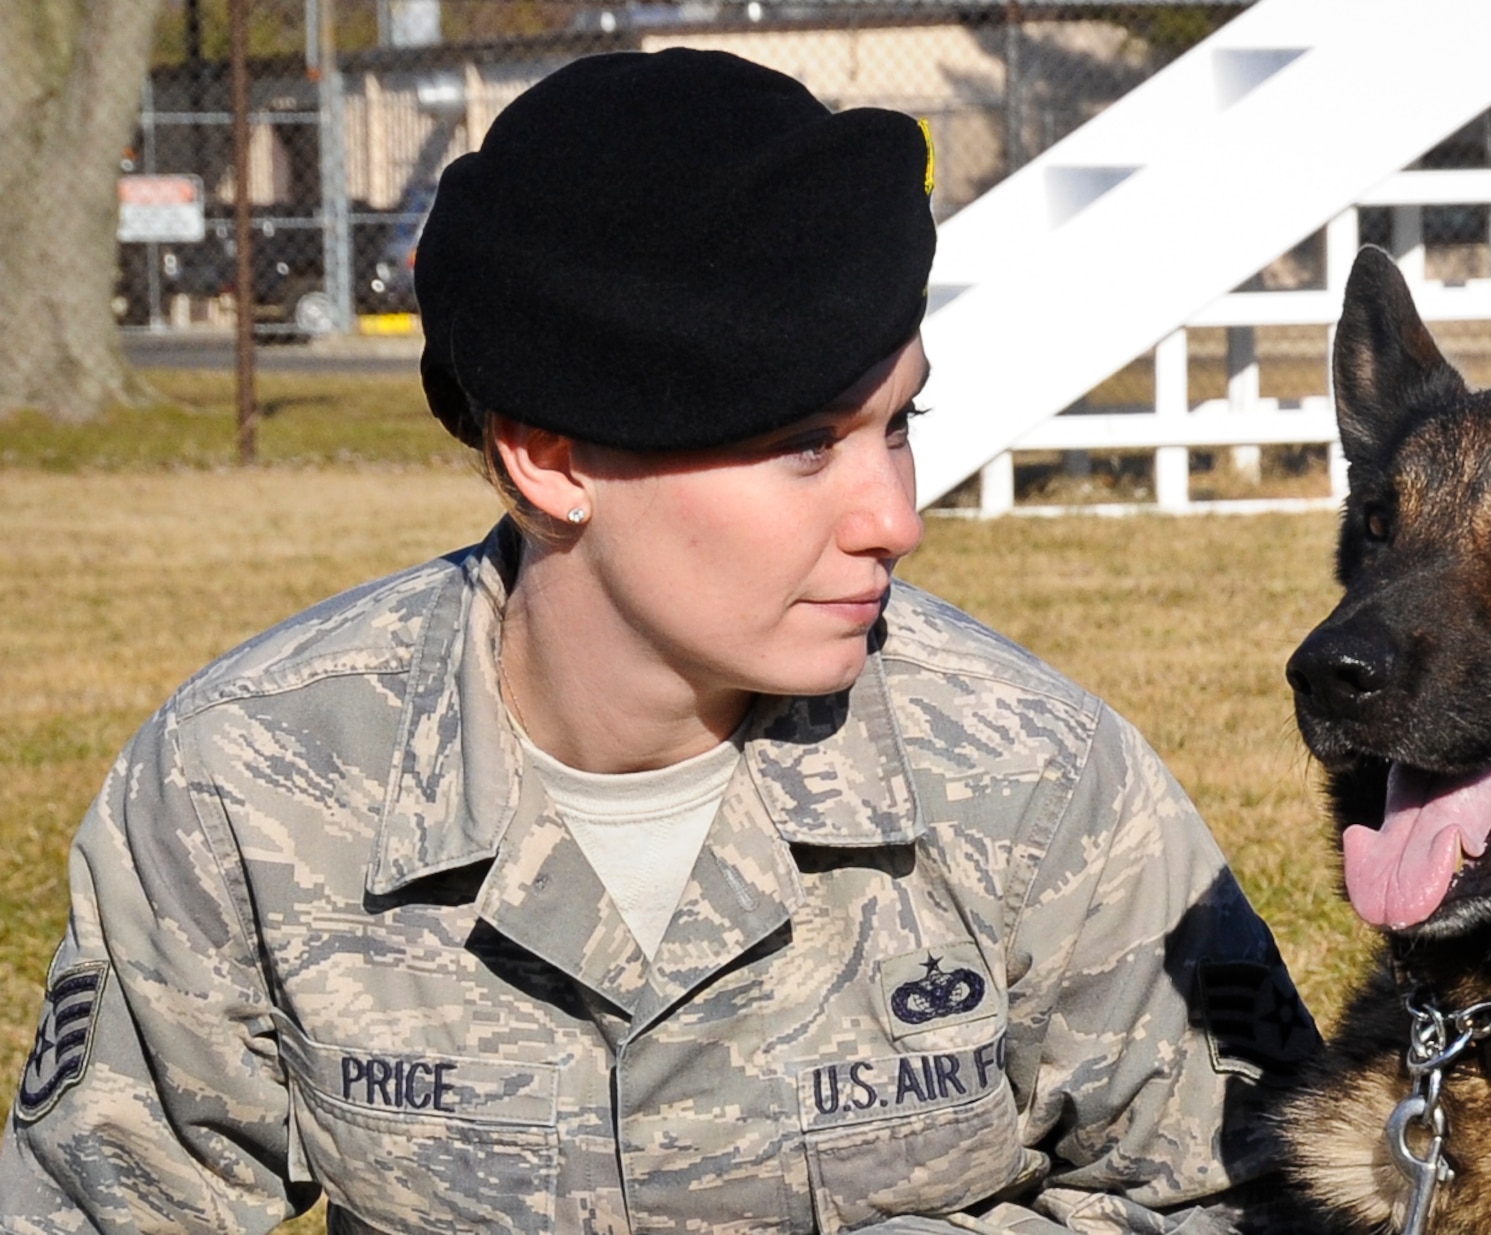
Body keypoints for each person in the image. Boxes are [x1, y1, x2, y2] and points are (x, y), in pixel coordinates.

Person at [1, 49, 1318, 1234]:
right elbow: (97, 1201)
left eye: (899, 425)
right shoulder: (249, 787)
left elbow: (1260, 1194)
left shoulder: (1035, 786)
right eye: (804, 444)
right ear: (550, 458)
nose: (897, 520)